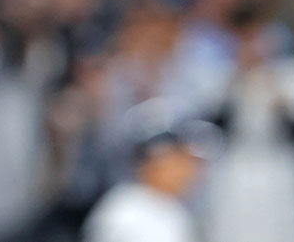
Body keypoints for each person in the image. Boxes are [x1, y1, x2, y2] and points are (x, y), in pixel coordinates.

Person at [82, 99, 212, 242]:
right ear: (153, 161)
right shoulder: (124, 211)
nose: (189, 169)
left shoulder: (176, 213)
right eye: (180, 158)